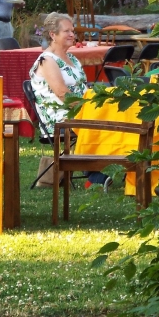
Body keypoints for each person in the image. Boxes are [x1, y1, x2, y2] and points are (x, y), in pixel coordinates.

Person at [29, 12, 109, 189]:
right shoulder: (47, 60)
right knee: (103, 120)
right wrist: (89, 109)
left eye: (72, 31)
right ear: (53, 35)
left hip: (79, 110)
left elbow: (84, 89)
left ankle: (113, 169)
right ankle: (95, 175)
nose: (72, 34)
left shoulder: (72, 58)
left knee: (113, 114)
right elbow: (62, 94)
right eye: (67, 31)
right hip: (59, 116)